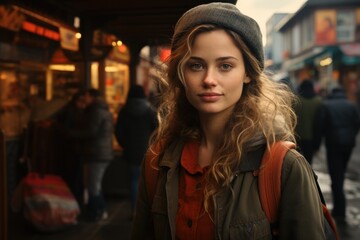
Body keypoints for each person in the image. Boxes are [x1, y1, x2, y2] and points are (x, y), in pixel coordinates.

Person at [131, 2, 326, 239]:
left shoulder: (283, 166)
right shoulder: (158, 160)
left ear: (248, 73)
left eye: (225, 66)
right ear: (181, 75)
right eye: (196, 65)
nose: (209, 79)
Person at [314, 86, 360, 224]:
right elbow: (357, 123)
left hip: (333, 144)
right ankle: (340, 207)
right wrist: (351, 135)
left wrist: (316, 145)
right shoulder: (350, 105)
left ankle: (340, 210)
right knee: (341, 172)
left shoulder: (326, 106)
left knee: (336, 175)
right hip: (348, 144)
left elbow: (320, 126)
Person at [67, 88, 114, 221]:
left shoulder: (96, 111)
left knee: (93, 186)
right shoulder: (100, 110)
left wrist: (71, 133)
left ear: (91, 97)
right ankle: (98, 211)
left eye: (86, 95)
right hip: (99, 152)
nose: (84, 98)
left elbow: (91, 131)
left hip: (96, 153)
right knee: (93, 185)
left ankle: (98, 211)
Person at [114, 84, 157, 210]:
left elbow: (118, 131)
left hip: (131, 151)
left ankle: (135, 210)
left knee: (133, 181)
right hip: (148, 151)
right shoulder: (150, 111)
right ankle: (148, 211)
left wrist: (125, 145)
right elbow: (157, 131)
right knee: (149, 182)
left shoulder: (124, 111)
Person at [294, 79, 323, 164]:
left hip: (297, 137)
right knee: (309, 163)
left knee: (298, 163)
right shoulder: (318, 101)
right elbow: (320, 123)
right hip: (312, 138)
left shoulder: (297, 101)